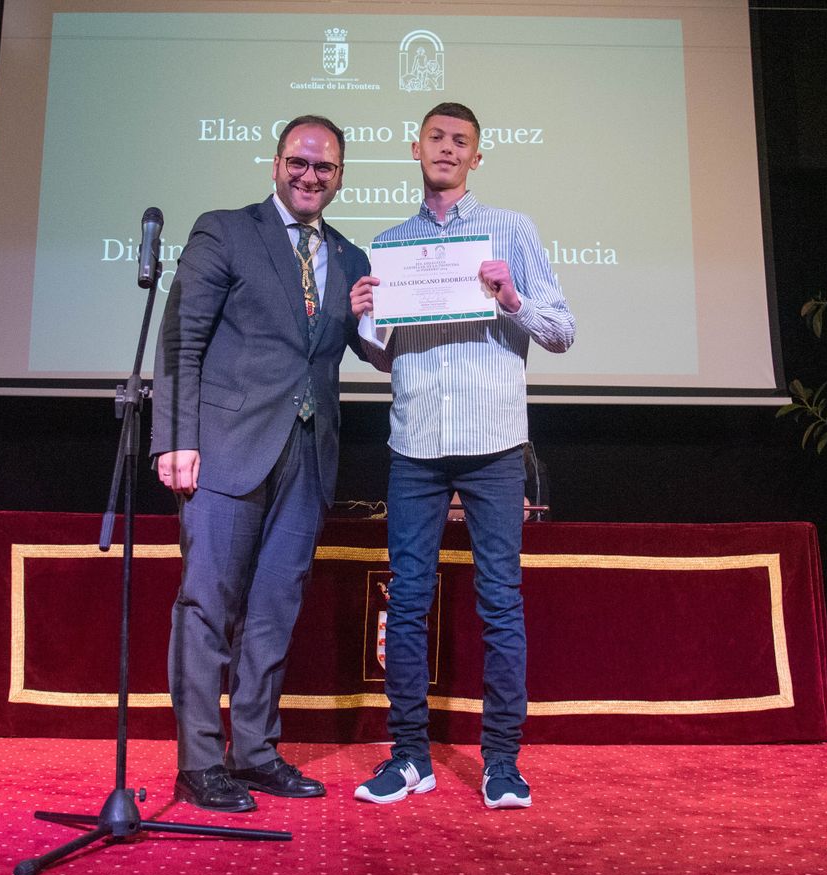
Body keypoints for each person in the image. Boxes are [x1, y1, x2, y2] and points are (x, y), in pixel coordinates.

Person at [348, 102, 575, 810]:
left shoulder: (513, 230)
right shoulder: (391, 244)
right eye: (437, 138)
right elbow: (384, 357)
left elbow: (563, 331)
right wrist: (362, 320)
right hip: (415, 444)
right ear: (415, 147)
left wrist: (509, 298)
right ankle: (409, 755)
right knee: (408, 601)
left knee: (500, 603)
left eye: (461, 142)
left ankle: (502, 761)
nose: (447, 149)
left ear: (478, 156)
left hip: (494, 446)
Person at [151, 114, 370, 812]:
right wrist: (174, 439)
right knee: (207, 607)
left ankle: (252, 751)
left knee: (274, 612)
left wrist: (379, 317)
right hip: (225, 449)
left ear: (340, 176)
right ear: (276, 163)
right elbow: (182, 340)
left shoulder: (350, 257)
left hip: (307, 458)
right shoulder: (226, 229)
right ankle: (197, 762)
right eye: (299, 163)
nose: (311, 176)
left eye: (325, 168)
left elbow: (372, 350)